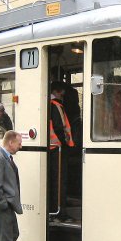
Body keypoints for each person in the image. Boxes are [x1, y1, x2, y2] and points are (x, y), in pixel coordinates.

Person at [49, 81, 75, 220]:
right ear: (58, 91)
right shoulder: (56, 106)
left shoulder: (51, 105)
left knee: (55, 181)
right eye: (63, 91)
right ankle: (60, 212)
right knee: (59, 181)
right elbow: (60, 127)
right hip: (57, 149)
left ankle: (56, 210)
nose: (64, 94)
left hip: (53, 148)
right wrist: (65, 143)